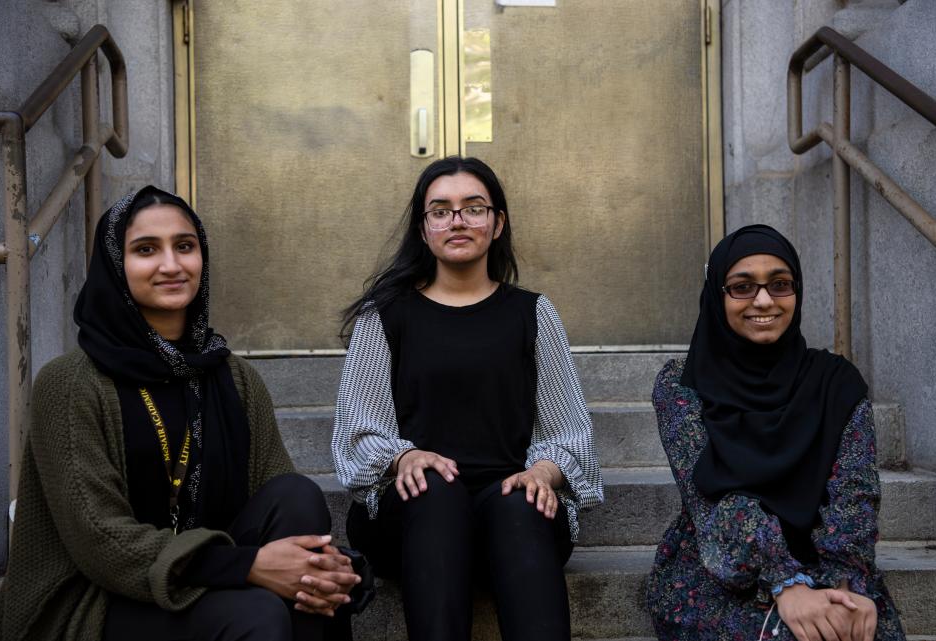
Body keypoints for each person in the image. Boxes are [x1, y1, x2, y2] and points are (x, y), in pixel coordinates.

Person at [0, 186, 368, 641]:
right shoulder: (71, 383)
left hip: (203, 579)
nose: (171, 265)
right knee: (257, 614)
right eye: (146, 250)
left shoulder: (234, 376)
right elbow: (101, 541)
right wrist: (246, 565)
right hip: (96, 600)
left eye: (185, 246)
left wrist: (332, 567)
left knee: (297, 497)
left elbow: (278, 496)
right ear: (114, 266)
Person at [332, 156, 603, 641]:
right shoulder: (386, 315)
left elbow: (572, 435)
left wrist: (543, 472)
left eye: (473, 208)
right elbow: (358, 434)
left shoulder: (533, 313)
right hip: (413, 519)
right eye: (441, 210)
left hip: (511, 519)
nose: (457, 220)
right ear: (423, 228)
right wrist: (405, 456)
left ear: (497, 223)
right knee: (435, 489)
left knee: (520, 501)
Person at [646, 224, 904, 641]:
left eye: (780, 284)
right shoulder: (682, 386)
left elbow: (855, 496)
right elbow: (711, 499)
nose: (764, 300)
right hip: (720, 565)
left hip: (824, 558)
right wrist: (786, 582)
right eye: (742, 287)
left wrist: (840, 585)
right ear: (717, 294)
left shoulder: (836, 382)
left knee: (861, 631)